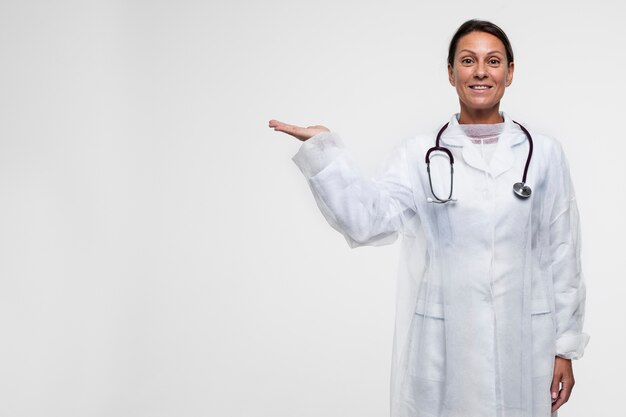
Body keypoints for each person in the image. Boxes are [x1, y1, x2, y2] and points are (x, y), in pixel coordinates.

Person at [268, 19, 589, 417]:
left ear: (510, 71)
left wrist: (565, 347)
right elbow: (367, 221)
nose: (481, 72)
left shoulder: (543, 154)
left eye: (493, 61)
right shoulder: (420, 154)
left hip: (525, 338)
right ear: (452, 73)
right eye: (468, 60)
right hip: (443, 339)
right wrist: (323, 149)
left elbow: (562, 253)